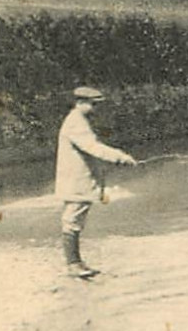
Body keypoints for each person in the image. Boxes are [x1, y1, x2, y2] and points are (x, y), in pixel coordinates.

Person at [56, 86, 137, 278]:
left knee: (74, 219)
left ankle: (75, 263)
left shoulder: (78, 120)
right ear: (80, 102)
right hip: (76, 180)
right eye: (93, 104)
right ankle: (73, 264)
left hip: (78, 179)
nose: (96, 108)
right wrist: (119, 157)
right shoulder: (76, 122)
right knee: (72, 220)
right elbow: (92, 147)